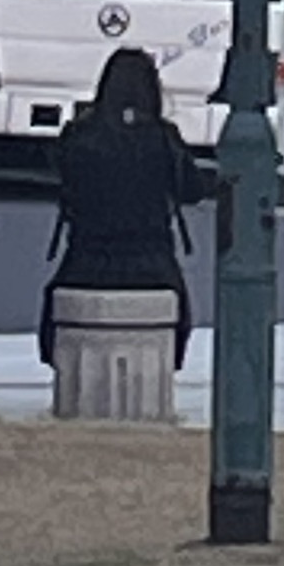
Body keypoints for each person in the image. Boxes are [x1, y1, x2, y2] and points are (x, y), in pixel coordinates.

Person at [37, 48, 209, 369]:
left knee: (56, 307)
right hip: (153, 264)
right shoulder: (163, 137)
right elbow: (193, 190)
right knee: (177, 312)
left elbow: (64, 180)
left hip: (87, 262)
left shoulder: (79, 135)